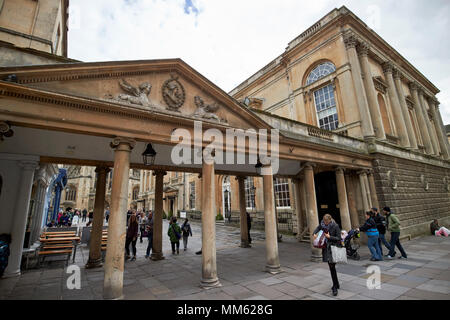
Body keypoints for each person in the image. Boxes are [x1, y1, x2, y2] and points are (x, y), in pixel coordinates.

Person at [313, 214, 341, 296]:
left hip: (333, 248)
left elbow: (339, 238)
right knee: (331, 267)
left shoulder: (335, 226)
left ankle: (335, 287)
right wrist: (314, 233)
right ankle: (336, 284)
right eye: (324, 222)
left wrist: (329, 237)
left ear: (330, 220)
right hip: (326, 249)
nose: (325, 223)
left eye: (326, 222)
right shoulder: (322, 224)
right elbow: (318, 228)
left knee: (332, 267)